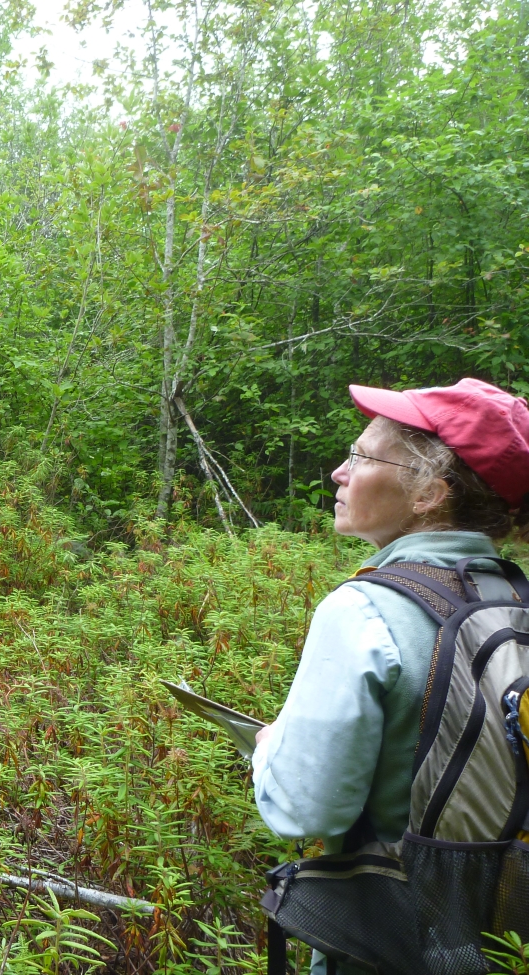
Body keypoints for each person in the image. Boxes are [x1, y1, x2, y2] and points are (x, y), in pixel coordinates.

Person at [251, 377, 529, 975]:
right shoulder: (515, 599)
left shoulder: (363, 611)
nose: (339, 473)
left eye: (361, 456)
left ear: (430, 492)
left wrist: (269, 748)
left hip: (391, 944)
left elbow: (305, 812)